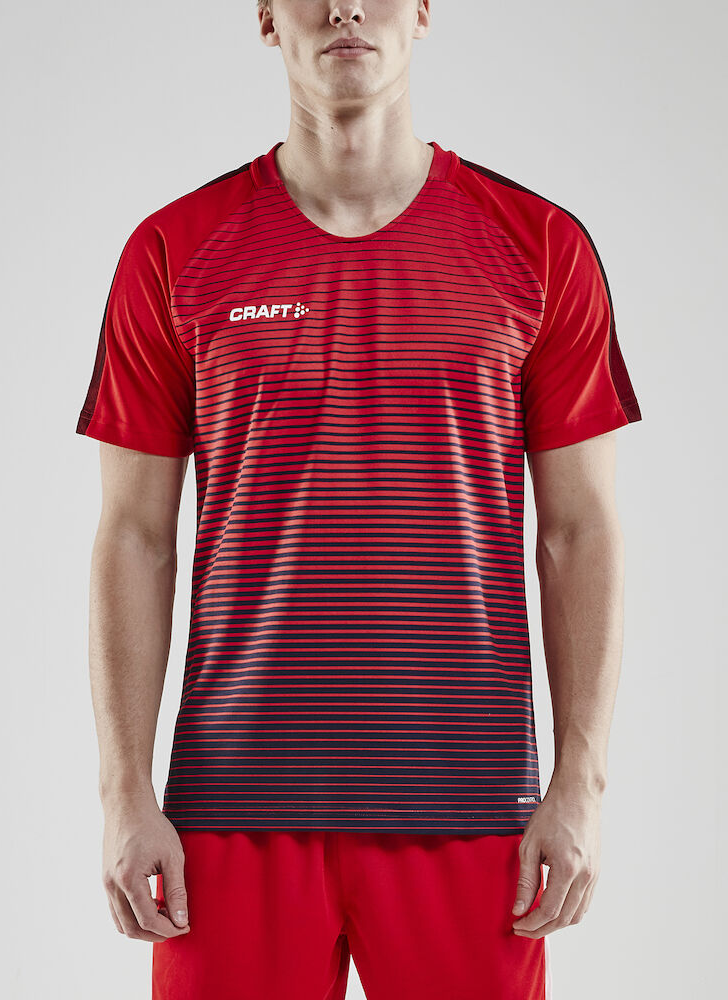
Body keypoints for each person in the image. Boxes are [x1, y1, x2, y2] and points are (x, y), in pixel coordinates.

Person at [75, 2, 643, 997]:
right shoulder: (175, 249)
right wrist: (124, 794)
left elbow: (579, 531)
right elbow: (132, 536)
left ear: (422, 10)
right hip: (231, 813)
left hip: (470, 811)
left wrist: (582, 785)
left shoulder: (539, 245)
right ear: (266, 17)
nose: (345, 7)